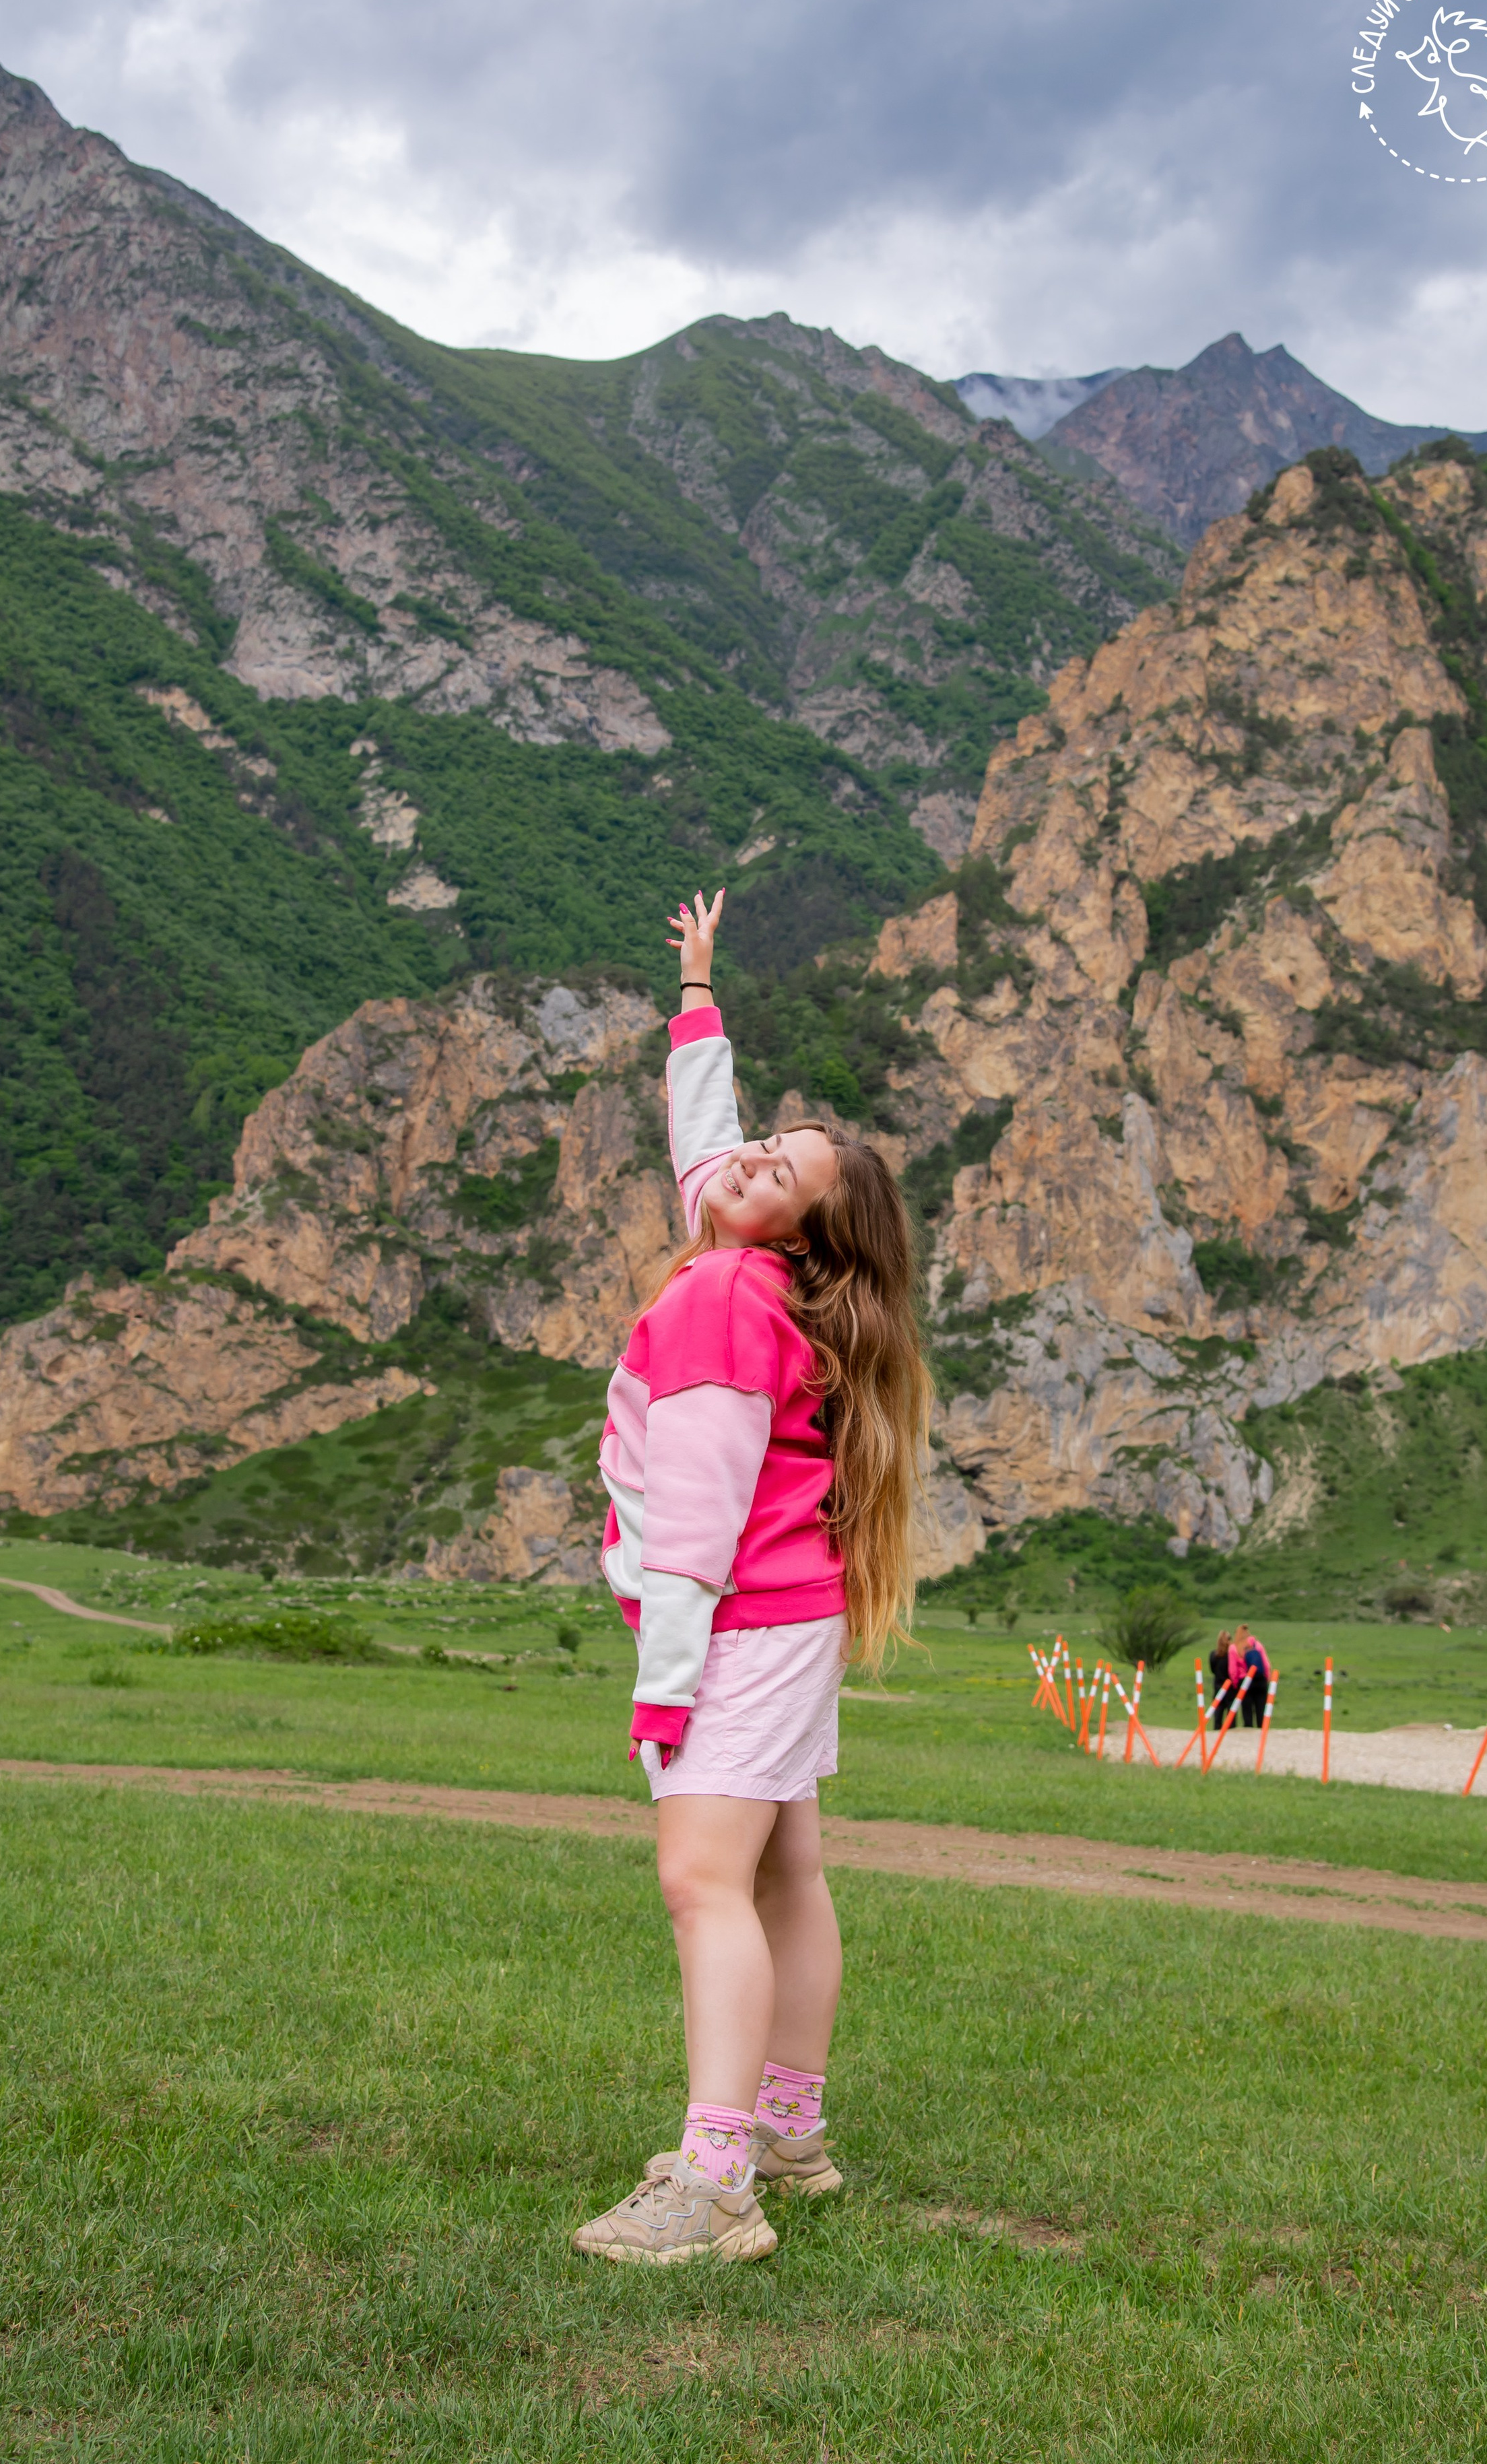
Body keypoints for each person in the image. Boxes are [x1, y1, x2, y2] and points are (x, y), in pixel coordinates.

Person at [573, 888, 930, 2268]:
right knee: (786, 1869)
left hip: (738, 1624)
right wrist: (697, 998)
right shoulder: (758, 1268)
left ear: (796, 1233)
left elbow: (695, 1525)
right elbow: (704, 1139)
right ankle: (787, 2135)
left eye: (776, 1174)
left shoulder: (724, 1296)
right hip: (791, 1622)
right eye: (761, 1147)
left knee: (699, 1879)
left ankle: (717, 2183)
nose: (743, 1166)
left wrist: (665, 1691)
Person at [1240, 1626, 1270, 1729]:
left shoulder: (1239, 1646)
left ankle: (1248, 1727)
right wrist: (1267, 1677)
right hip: (1261, 1679)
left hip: (1247, 1679)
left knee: (1247, 1707)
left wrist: (1237, 1681)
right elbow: (1266, 1664)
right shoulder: (1258, 1645)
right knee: (1261, 1706)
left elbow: (1236, 1666)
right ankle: (1261, 1728)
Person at [1209, 1630, 1232, 1731]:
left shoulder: (1213, 1655)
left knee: (1218, 1715)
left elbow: (1213, 1670)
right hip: (1230, 1687)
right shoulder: (1231, 1656)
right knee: (1231, 1717)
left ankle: (1217, 1732)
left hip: (1218, 1685)